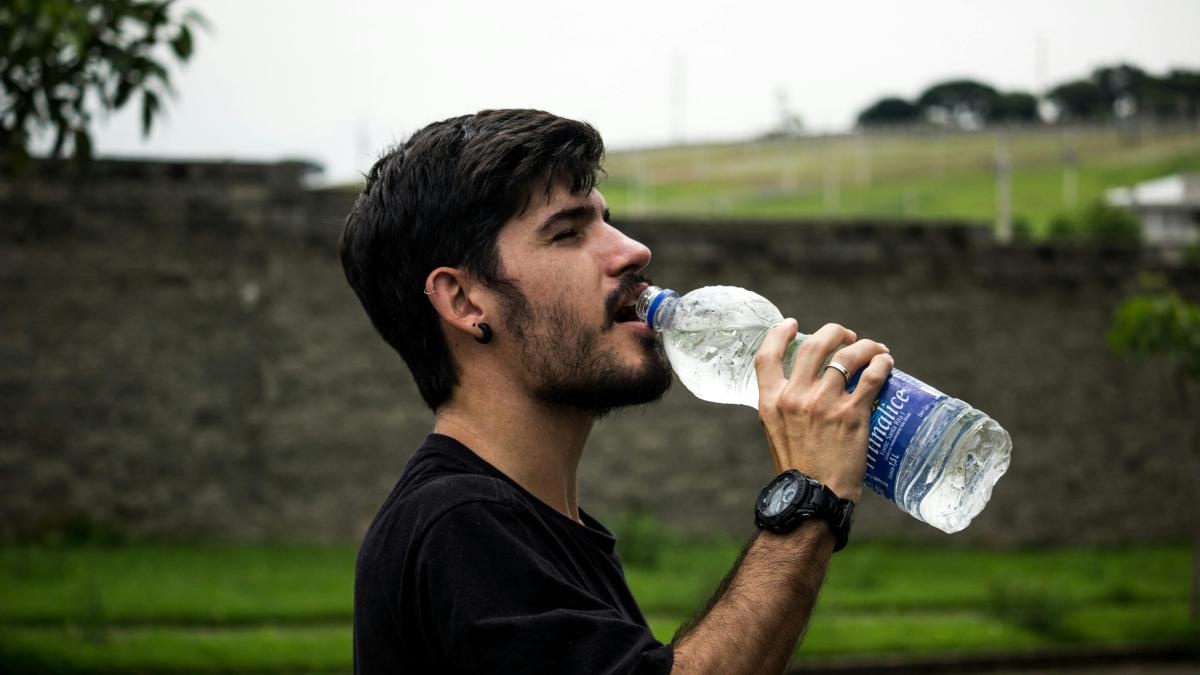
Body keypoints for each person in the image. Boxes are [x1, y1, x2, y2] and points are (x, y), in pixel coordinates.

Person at [339, 108, 893, 674]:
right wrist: (808, 500)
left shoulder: (540, 527)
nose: (633, 251)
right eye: (567, 232)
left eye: (607, 221)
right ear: (463, 301)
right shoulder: (458, 525)